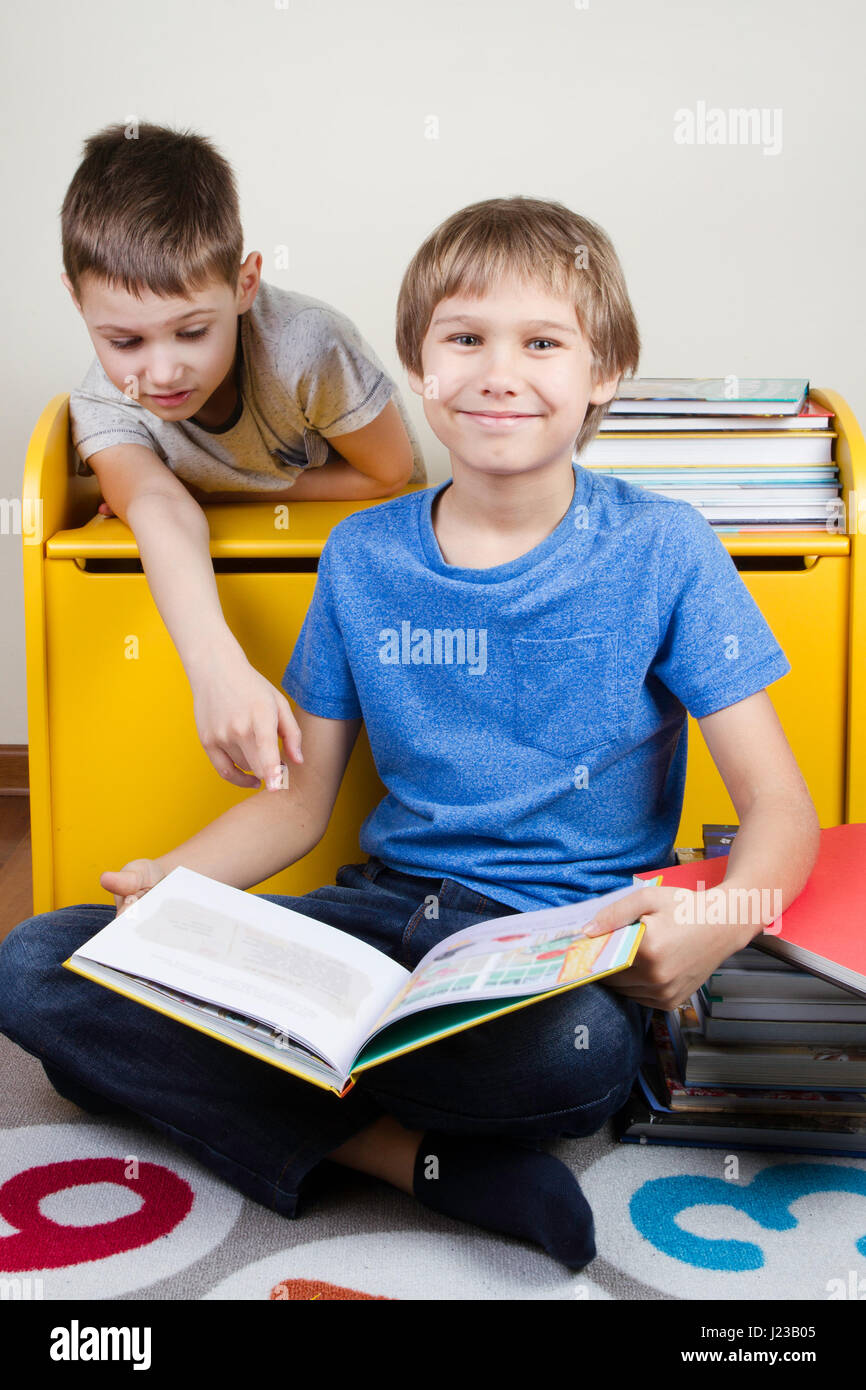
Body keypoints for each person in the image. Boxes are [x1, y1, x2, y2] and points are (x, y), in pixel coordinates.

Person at [0, 196, 820, 1272]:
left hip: (547, 955)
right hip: (379, 921)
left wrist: (715, 928)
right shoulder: (362, 555)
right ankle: (405, 1155)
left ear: (603, 370)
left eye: (541, 343)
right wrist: (170, 885)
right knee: (40, 963)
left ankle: (254, 1089)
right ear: (418, 365)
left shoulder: (663, 549)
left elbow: (781, 812)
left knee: (569, 1061)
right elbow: (298, 800)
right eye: (463, 339)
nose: (498, 371)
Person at [60, 121, 427, 791]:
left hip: (370, 561)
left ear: (246, 282)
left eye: (193, 331)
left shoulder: (307, 348)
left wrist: (232, 489)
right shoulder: (103, 403)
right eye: (124, 342)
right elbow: (157, 507)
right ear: (76, 299)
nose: (163, 371)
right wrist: (216, 668)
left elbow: (389, 471)